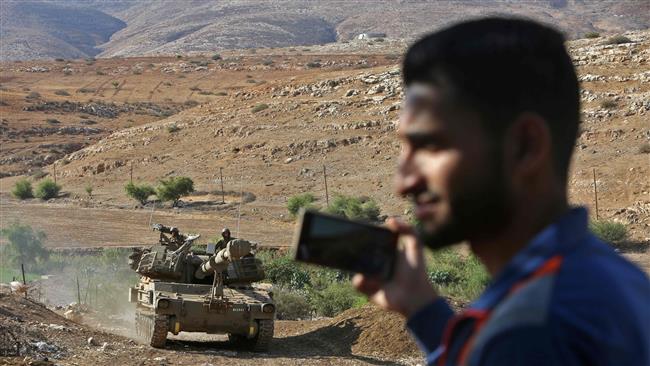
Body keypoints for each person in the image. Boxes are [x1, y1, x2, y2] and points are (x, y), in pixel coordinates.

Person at [353, 17, 650, 366]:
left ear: (525, 146)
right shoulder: (616, 280)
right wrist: (422, 310)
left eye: (431, 146)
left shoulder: (528, 330)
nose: (403, 182)